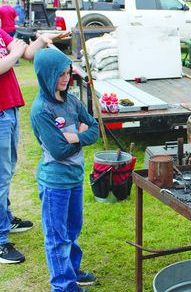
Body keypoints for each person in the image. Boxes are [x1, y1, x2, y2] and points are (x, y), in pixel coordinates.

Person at [30, 48, 99, 291]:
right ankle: (63, 286)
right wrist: (80, 135)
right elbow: (58, 152)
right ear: (45, 75)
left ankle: (73, 270)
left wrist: (73, 136)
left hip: (74, 177)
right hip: (54, 183)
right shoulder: (41, 110)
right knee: (56, 238)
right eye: (59, 74)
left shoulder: (71, 101)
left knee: (72, 229)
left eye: (68, 73)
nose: (65, 79)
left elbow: (95, 130)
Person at [0, 30, 70, 264]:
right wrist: (14, 53)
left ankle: (6, 218)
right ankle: (0, 240)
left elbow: (27, 53)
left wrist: (43, 39)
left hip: (8, 109)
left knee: (7, 170)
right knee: (0, 176)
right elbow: (13, 57)